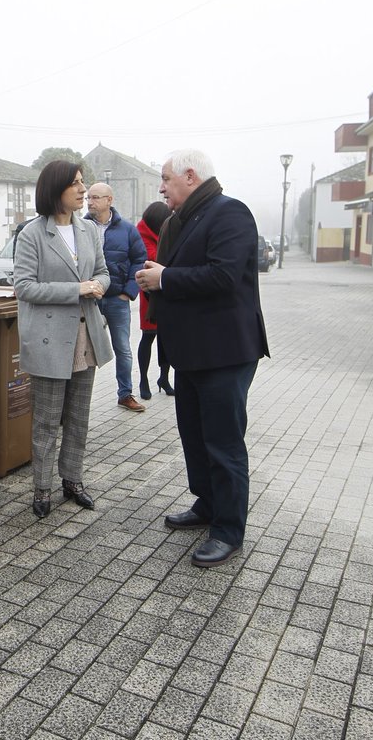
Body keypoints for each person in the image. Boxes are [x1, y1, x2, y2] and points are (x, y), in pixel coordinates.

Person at [135, 149, 269, 568]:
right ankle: (207, 504)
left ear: (189, 176)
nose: (160, 187)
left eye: (165, 179)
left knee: (223, 444)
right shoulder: (186, 217)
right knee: (194, 437)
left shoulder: (230, 213)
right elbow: (193, 270)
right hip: (192, 352)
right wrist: (161, 275)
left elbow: (225, 276)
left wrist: (166, 277)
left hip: (225, 353)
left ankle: (228, 530)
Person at [14, 160, 113, 518]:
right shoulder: (32, 234)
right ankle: (42, 488)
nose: (83, 189)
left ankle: (72, 480)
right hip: (49, 339)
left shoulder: (88, 230)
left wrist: (99, 285)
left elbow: (103, 273)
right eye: (75, 183)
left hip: (86, 336)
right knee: (46, 420)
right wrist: (77, 288)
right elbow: (23, 287)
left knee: (78, 417)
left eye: (83, 182)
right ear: (55, 190)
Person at [85, 182, 148, 412]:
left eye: (96, 198)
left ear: (109, 200)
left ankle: (125, 394)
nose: (91, 202)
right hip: (87, 299)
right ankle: (76, 403)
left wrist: (128, 292)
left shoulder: (128, 229)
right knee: (82, 349)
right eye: (88, 198)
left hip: (116, 299)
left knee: (122, 348)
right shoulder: (80, 227)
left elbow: (139, 259)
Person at [136, 201, 173, 400]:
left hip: (165, 290)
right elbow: (151, 258)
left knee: (165, 338)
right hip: (149, 293)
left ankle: (164, 378)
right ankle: (143, 379)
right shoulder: (141, 234)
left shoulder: (164, 232)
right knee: (148, 336)